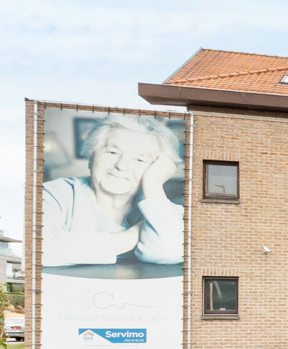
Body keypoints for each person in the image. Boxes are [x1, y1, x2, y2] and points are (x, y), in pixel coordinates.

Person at [41, 113, 184, 266]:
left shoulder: (166, 211)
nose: (121, 165)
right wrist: (133, 235)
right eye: (113, 152)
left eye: (140, 159)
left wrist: (153, 182)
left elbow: (171, 252)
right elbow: (36, 249)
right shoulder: (53, 195)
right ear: (91, 157)